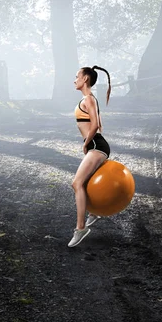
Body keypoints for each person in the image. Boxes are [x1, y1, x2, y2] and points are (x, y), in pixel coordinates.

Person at [68, 65, 112, 247]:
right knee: (84, 182)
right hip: (97, 145)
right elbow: (100, 123)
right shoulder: (90, 100)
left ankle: (81, 228)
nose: (75, 79)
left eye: (77, 76)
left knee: (76, 183)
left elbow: (95, 126)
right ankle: (93, 213)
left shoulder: (89, 99)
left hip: (96, 146)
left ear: (85, 79)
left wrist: (86, 144)